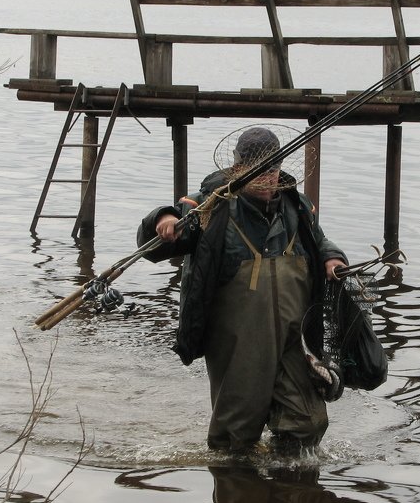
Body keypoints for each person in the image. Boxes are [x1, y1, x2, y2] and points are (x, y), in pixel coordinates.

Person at [138, 126, 347, 453]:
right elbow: (158, 240)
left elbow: (319, 242)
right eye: (257, 171)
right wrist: (162, 220)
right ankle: (238, 481)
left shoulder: (297, 206)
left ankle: (286, 473)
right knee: (235, 437)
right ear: (238, 168)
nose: (266, 179)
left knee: (307, 422)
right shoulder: (210, 206)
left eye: (272, 170)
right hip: (236, 341)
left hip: (291, 337)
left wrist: (332, 258)